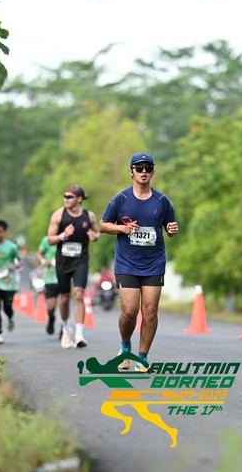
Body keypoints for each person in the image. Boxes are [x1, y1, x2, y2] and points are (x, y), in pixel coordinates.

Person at [99, 153, 178, 372]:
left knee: (150, 311)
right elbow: (103, 225)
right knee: (130, 312)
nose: (143, 172)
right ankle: (125, 347)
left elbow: (170, 228)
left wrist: (172, 229)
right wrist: (122, 228)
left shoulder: (161, 201)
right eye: (139, 168)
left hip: (153, 263)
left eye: (147, 168)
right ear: (131, 172)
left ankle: (142, 358)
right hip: (127, 263)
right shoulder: (120, 199)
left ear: (153, 172)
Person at [47, 185, 100, 349]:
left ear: (79, 199)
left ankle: (79, 334)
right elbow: (50, 240)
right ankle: (66, 329)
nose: (66, 199)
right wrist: (63, 235)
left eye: (69, 197)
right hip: (63, 261)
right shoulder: (58, 215)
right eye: (65, 196)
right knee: (64, 298)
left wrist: (94, 236)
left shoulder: (89, 216)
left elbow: (97, 233)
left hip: (80, 261)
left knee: (78, 294)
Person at [36, 235, 60, 335]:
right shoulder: (47, 239)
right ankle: (51, 318)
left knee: (64, 302)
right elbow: (39, 253)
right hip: (50, 278)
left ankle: (64, 327)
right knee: (51, 306)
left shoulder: (69, 237)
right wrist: (44, 261)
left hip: (65, 276)